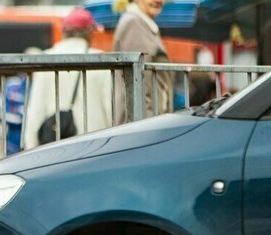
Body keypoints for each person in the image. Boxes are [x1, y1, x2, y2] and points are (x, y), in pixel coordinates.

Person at [24, 8, 112, 150]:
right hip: (95, 145)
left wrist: (30, 145)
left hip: (54, 146)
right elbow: (110, 108)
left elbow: (36, 108)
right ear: (89, 32)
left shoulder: (44, 59)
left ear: (64, 32)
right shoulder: (104, 60)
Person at [113, 0, 172, 124]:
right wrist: (150, 126)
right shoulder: (134, 23)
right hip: (144, 122)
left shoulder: (141, 22)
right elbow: (139, 84)